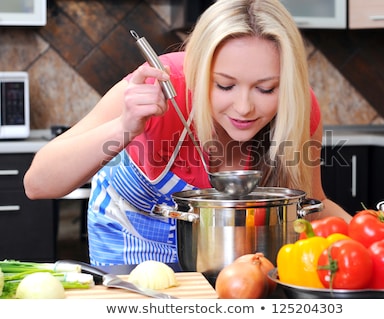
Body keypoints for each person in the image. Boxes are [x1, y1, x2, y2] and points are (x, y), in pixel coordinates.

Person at [24, 0, 352, 266]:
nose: (243, 107)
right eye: (224, 85)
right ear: (198, 71)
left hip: (230, 260)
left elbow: (314, 203)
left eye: (265, 89)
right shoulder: (164, 84)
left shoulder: (298, 106)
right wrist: (124, 127)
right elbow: (38, 183)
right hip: (130, 255)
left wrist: (379, 235)